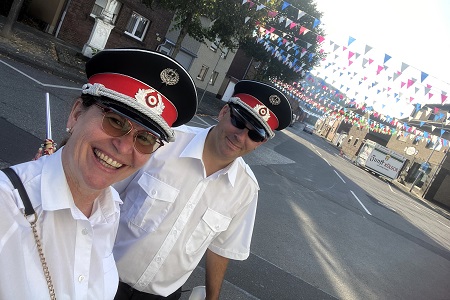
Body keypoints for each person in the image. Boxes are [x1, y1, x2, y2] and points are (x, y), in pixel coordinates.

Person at [0, 48, 197, 299]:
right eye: (115, 121)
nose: (125, 147)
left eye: (146, 138)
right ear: (77, 114)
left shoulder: (109, 210)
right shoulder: (6, 208)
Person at [113, 80, 293, 300]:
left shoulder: (246, 189)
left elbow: (220, 249)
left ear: (261, 142)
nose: (241, 136)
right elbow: (106, 193)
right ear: (224, 111)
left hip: (162, 296)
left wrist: (212, 298)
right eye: (238, 121)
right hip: (105, 276)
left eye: (254, 135)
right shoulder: (165, 142)